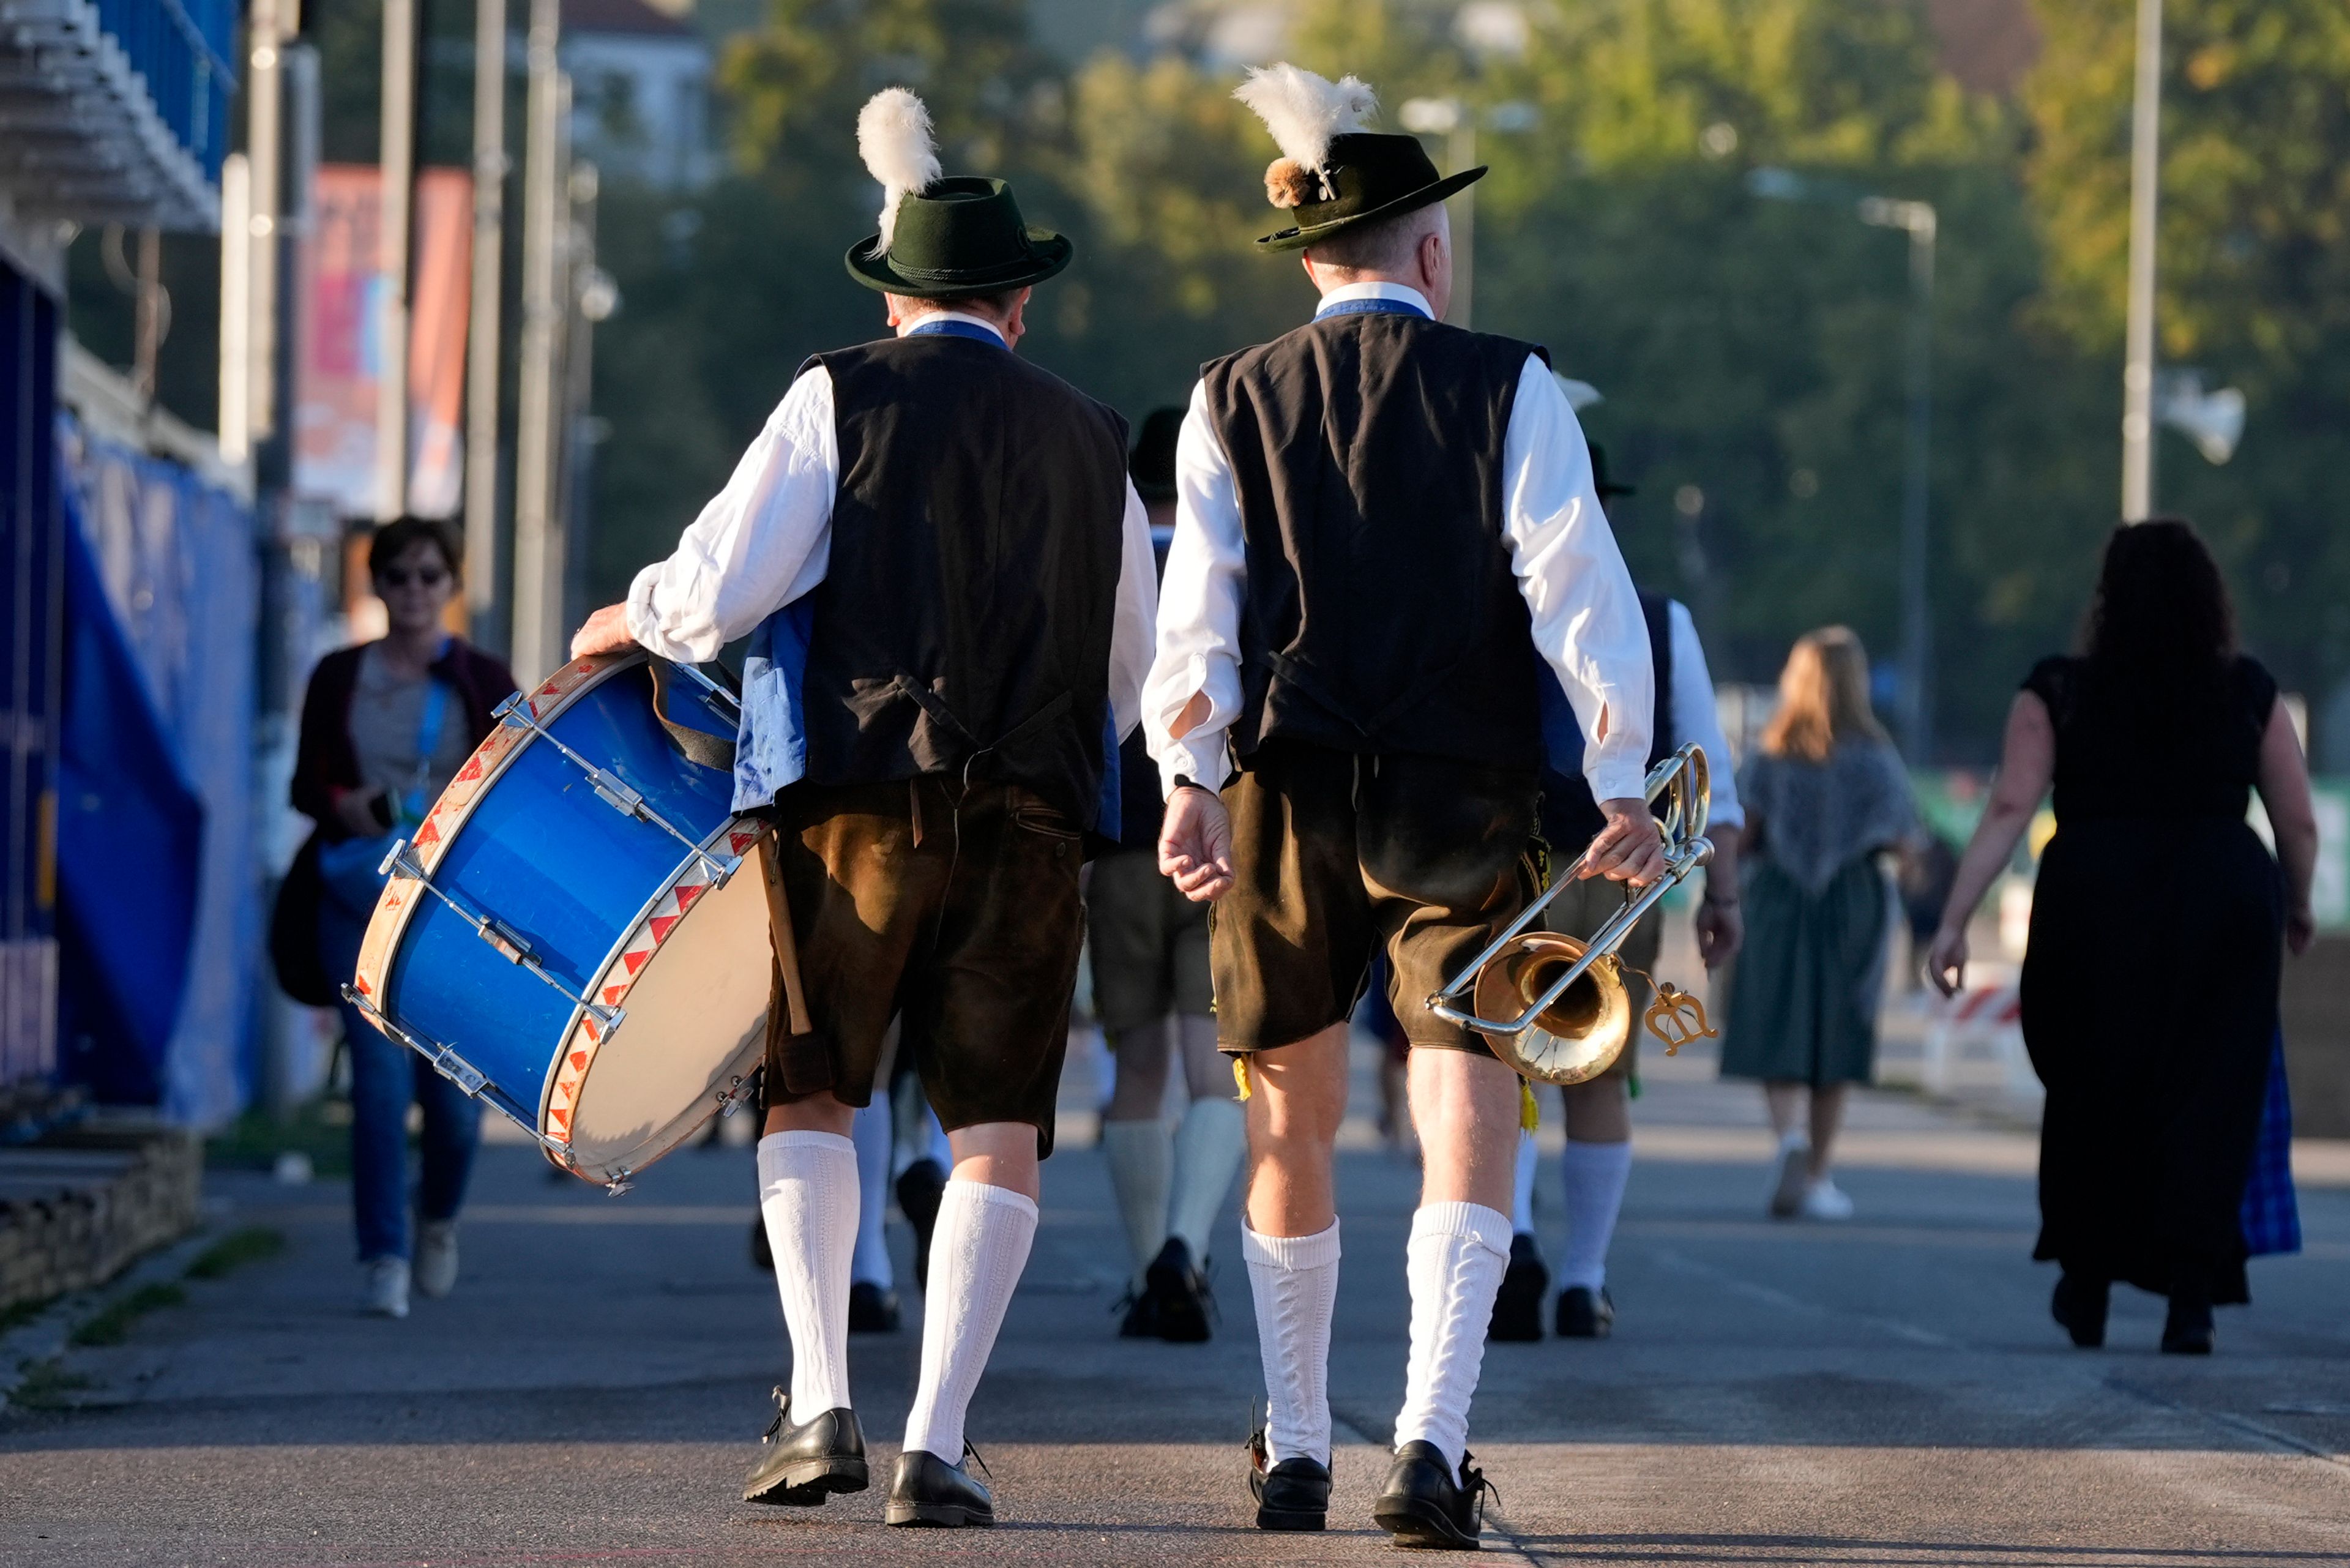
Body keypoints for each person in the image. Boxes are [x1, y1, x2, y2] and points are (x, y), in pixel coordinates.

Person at [571, 88, 1154, 1528]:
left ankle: (822, 1400)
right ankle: (937, 1442)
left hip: (853, 805)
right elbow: (1132, 669)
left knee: (816, 1085)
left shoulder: (837, 392)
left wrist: (628, 616)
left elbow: (723, 586)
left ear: (898, 295)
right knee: (995, 1121)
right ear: (1016, 299)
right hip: (1030, 814)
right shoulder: (1095, 436)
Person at [1148, 64, 1664, 1547]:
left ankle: (1299, 1445)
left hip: (1286, 789)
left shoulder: (1224, 396)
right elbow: (1578, 594)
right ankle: (1430, 1443)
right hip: (1464, 788)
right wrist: (1618, 779)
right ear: (1428, 252)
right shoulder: (1512, 386)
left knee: (1288, 1123)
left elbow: (1200, 620)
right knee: (1461, 1102)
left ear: (1310, 258)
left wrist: (1188, 780)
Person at [1927, 520, 2317, 1354]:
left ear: (2107, 598)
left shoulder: (2058, 690)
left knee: (2090, 1085)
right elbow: (2297, 819)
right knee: (2209, 1093)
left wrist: (1955, 918)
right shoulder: (2248, 689)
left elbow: (2008, 808)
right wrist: (2300, 903)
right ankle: (2191, 1297)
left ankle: (2089, 1281)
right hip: (2223, 896)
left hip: (2094, 899)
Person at [1491, 446, 1747, 1343]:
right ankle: (1584, 1280)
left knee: (1504, 1062)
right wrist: (1724, 895)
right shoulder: (1658, 616)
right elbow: (1708, 767)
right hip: (1622, 870)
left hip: (1506, 864)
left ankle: (1513, 1240)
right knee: (1599, 1072)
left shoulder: (1489, 603)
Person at [288, 517, 515, 1320]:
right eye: (398, 576)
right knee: (380, 1086)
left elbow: (515, 789)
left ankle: (439, 1216)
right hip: (356, 898)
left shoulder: (484, 677)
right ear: (375, 586)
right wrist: (345, 802)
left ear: (452, 585)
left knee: (455, 1105)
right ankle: (382, 1253)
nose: (414, 591)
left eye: (429, 575)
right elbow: (304, 787)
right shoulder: (338, 675)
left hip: (449, 913)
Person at [1094, 408, 1245, 1343]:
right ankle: (1185, 1246)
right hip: (1219, 843)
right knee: (1213, 1063)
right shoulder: (1220, 572)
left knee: (1137, 1064)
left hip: (1118, 847)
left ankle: (1148, 1258)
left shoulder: (1106, 566)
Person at [1719, 626, 1915, 1221]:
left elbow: (1742, 834)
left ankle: (1789, 1141)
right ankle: (1819, 1177)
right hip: (1852, 900)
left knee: (1778, 1023)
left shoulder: (1768, 756)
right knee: (1838, 1034)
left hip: (1777, 897)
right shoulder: (1878, 759)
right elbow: (1907, 842)